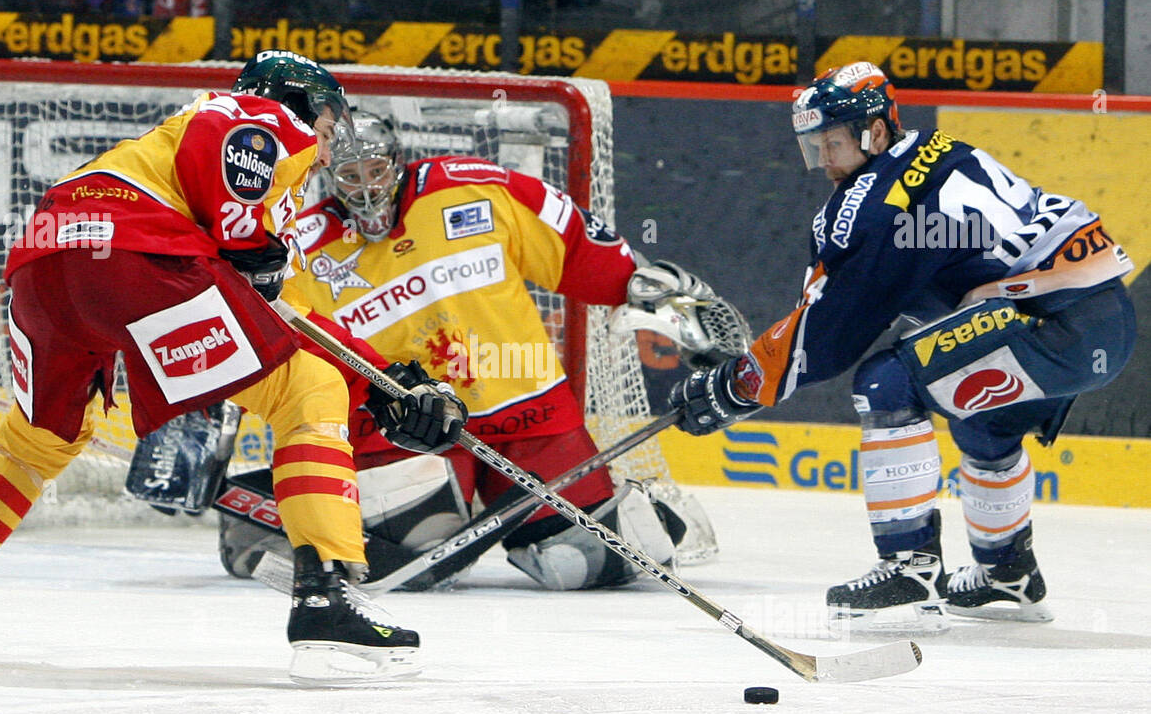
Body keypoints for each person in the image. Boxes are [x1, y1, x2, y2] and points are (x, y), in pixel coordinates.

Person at [0, 50, 466, 684]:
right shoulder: (258, 118)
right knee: (309, 390)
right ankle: (324, 600)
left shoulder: (157, 155)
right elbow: (234, 150)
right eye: (328, 132)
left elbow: (283, 313)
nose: (326, 154)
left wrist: (383, 384)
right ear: (302, 107)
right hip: (137, 260)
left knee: (39, 439)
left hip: (43, 265)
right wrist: (369, 384)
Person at [668, 62, 1136, 630]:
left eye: (832, 143)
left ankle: (909, 568)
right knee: (985, 420)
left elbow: (831, 336)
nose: (823, 161)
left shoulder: (878, 204)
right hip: (1101, 317)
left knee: (886, 382)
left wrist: (739, 385)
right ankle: (1006, 571)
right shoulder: (937, 150)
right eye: (813, 146)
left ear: (875, 132)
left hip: (1053, 322)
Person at [218, 110, 736, 592]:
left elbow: (576, 243)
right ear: (330, 177)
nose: (365, 187)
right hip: (413, 423)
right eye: (350, 176)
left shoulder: (474, 190)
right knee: (421, 548)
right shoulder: (309, 244)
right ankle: (271, 508)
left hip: (526, 405)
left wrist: (661, 297)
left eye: (375, 170)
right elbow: (281, 332)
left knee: (582, 561)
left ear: (397, 162)